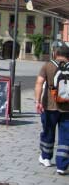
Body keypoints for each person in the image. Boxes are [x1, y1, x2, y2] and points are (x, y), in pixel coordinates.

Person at [35, 44, 69, 175]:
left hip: (49, 106)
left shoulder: (47, 66)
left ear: (55, 53)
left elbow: (39, 83)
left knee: (48, 132)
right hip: (67, 109)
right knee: (65, 137)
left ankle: (45, 157)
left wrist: (37, 101)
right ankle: (62, 165)